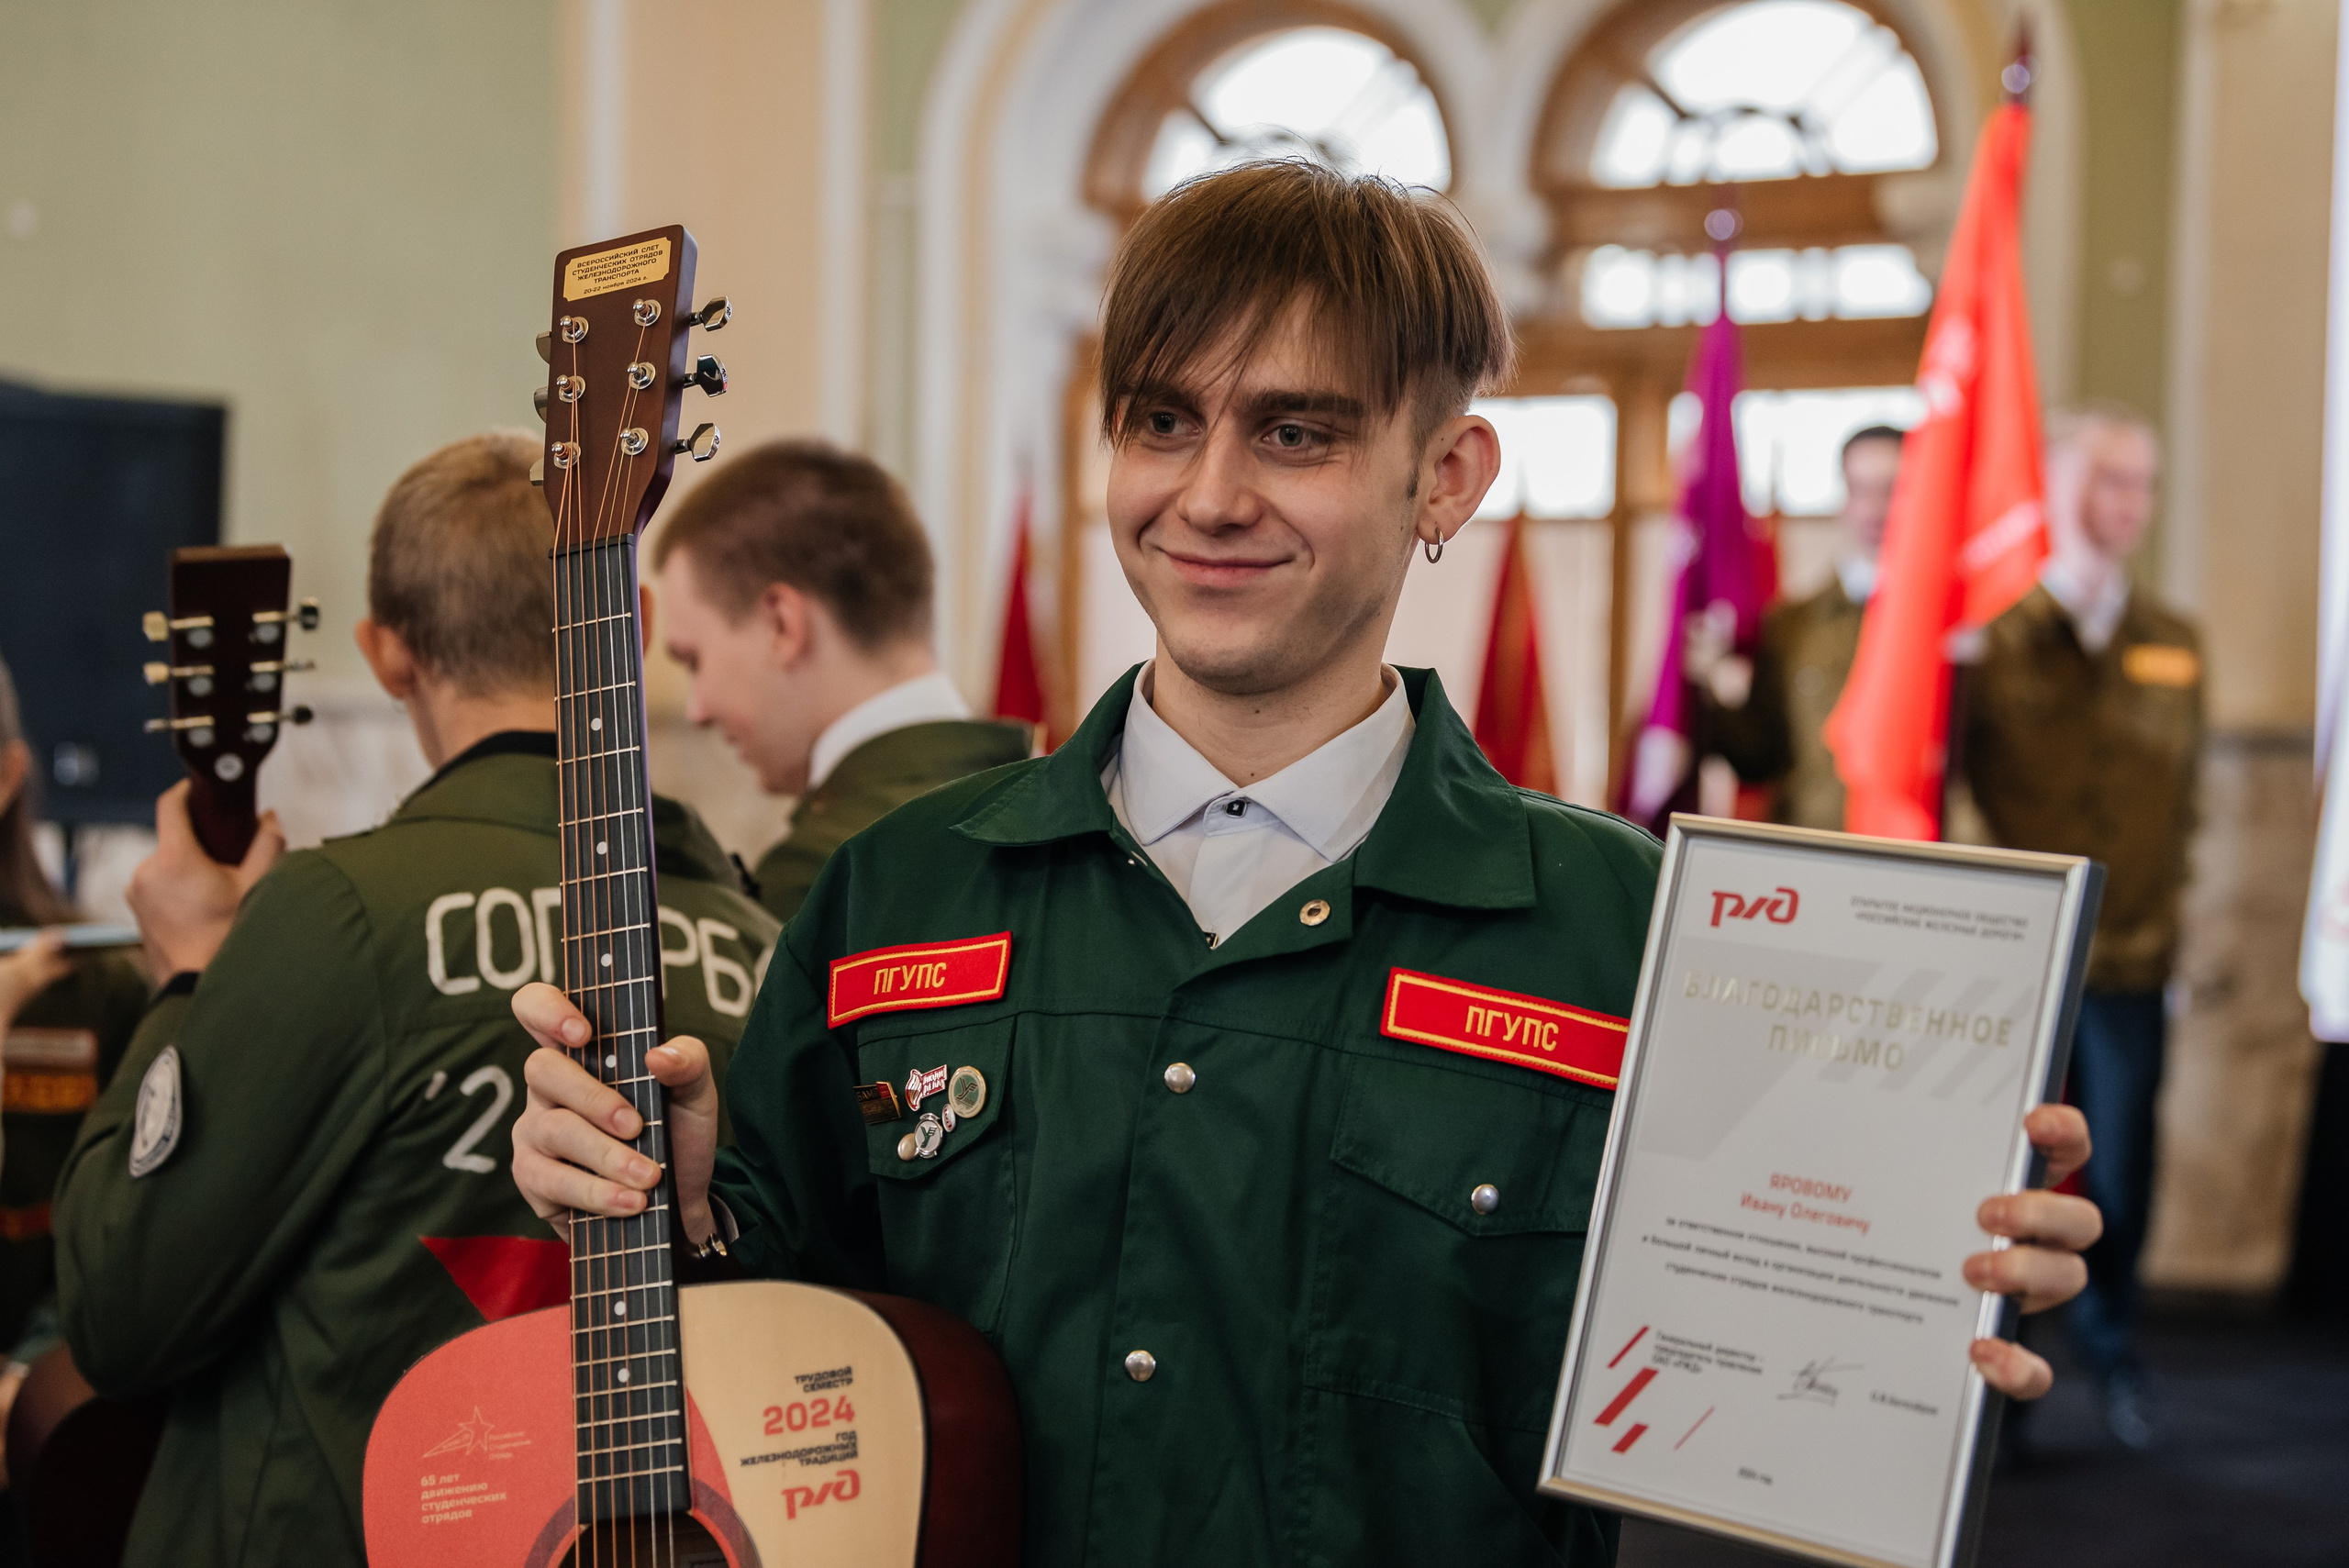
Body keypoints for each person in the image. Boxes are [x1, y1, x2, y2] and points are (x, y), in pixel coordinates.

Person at [508, 163, 2099, 1564]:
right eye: (1162, 421)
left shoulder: (1620, 930)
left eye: (1295, 432)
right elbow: (780, 1355)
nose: (1209, 495)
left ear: (1446, 476)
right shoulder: (896, 892)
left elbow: (1761, 1354)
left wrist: (1929, 1275)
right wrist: (677, 1204)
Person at [50, 432, 779, 1568]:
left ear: (386, 653)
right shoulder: (763, 940)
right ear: (630, 624)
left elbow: (121, 1307)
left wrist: (188, 976)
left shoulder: (334, 913)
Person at [1961, 403, 2199, 1449]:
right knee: (2004, 1174)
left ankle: (2112, 1352)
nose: (2129, 503)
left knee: (2125, 1169)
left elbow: (2181, 806)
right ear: (2054, 487)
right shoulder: (1995, 638)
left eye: (2143, 482)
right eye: (2108, 479)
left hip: (2133, 955)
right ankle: (1996, 1386)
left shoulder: (2174, 643)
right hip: (2017, 961)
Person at [650, 439, 1032, 921]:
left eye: (693, 660)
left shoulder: (824, 878)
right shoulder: (1054, 810)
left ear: (782, 626)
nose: (696, 711)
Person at [0, 655, 150, 1490]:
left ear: (8, 775)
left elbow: (113, 1232)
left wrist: (30, 1371)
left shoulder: (100, 986)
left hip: (39, 1423)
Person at [1696, 424, 1904, 829]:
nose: (1875, 508)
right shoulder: (1791, 626)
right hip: (1818, 842)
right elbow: (1759, 759)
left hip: (1928, 850)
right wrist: (1713, 685)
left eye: (1891, 489)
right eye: (1860, 489)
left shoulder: (1961, 626)